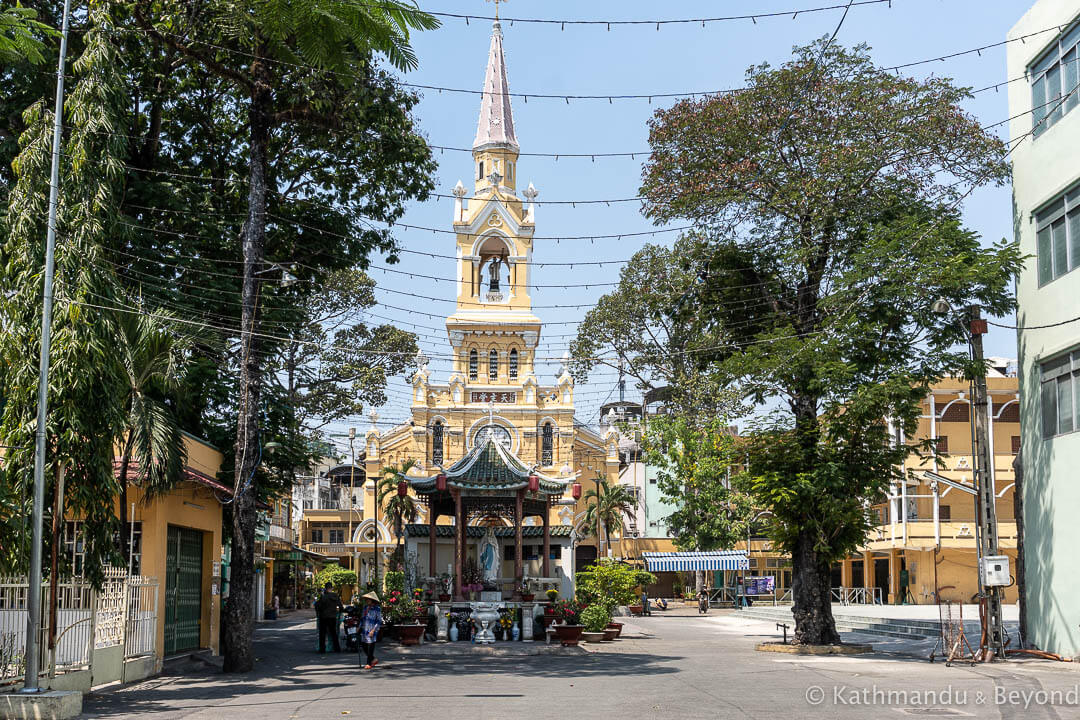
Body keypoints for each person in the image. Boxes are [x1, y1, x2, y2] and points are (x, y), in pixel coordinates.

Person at [314, 583, 344, 653]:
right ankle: (337, 648)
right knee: (333, 633)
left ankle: (322, 649)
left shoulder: (323, 596)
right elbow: (341, 607)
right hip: (332, 617)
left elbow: (318, 606)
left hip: (323, 617)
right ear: (331, 588)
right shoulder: (335, 596)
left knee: (322, 634)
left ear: (325, 588)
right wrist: (338, 611)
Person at [359, 591, 383, 670]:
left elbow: (379, 621)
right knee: (364, 645)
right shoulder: (365, 608)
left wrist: (374, 630)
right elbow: (362, 618)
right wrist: (359, 627)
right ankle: (373, 659)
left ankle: (369, 663)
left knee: (370, 647)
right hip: (364, 629)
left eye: (368, 599)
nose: (367, 601)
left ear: (372, 600)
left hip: (372, 629)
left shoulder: (377, 609)